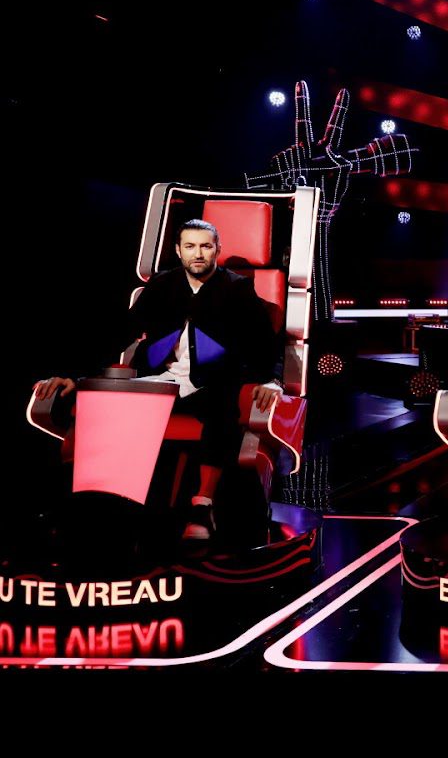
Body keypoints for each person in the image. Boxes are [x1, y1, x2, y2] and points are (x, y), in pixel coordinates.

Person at [33, 219, 280, 541]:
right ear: (178, 251)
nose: (198, 254)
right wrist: (76, 375)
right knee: (101, 404)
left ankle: (202, 507)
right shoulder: (163, 284)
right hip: (159, 380)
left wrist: (271, 380)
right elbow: (121, 332)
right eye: (190, 246)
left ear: (217, 250)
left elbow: (263, 343)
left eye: (205, 246)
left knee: (222, 406)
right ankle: (93, 502)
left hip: (211, 382)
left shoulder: (237, 288)